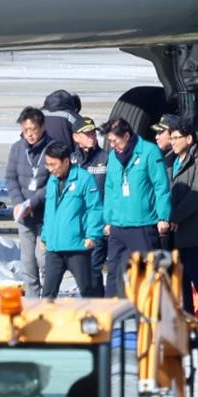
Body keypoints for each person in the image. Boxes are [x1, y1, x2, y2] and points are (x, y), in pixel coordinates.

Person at [101, 117, 171, 296]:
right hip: (118, 225)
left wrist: (163, 216)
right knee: (114, 273)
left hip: (143, 224)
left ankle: (148, 315)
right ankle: (113, 315)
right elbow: (109, 189)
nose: (113, 145)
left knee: (145, 274)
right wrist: (108, 219)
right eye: (110, 141)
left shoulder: (149, 152)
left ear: (126, 135)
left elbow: (161, 186)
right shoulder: (113, 157)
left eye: (115, 140)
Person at [162, 119, 198, 327]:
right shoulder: (171, 162)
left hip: (195, 228)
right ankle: (186, 312)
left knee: (194, 270)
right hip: (176, 229)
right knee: (180, 272)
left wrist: (175, 217)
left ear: (189, 139)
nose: (173, 142)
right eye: (171, 138)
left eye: (177, 138)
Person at [36, 142, 103, 298]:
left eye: (53, 164)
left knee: (87, 290)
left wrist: (92, 235)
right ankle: (45, 321)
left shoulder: (84, 179)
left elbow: (95, 208)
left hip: (77, 246)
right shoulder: (52, 181)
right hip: (54, 247)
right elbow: (50, 212)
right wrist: (45, 236)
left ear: (66, 161)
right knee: (48, 293)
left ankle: (95, 319)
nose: (50, 169)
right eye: (48, 165)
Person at [3, 107, 51, 296]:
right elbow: (10, 177)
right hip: (24, 215)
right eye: (26, 130)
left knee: (44, 259)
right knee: (28, 263)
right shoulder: (17, 148)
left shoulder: (52, 148)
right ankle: (32, 304)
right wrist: (18, 202)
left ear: (42, 127)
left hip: (45, 215)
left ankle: (49, 300)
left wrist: (33, 202)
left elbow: (54, 182)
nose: (30, 134)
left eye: (34, 129)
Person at [69, 116, 108, 294]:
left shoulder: (107, 159)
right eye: (86, 134)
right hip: (76, 225)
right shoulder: (70, 161)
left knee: (94, 269)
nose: (91, 136)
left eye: (93, 133)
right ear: (76, 137)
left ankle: (98, 307)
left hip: (97, 224)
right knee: (81, 271)